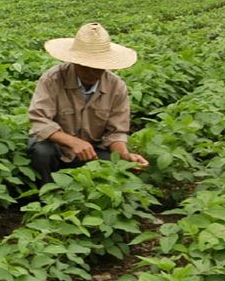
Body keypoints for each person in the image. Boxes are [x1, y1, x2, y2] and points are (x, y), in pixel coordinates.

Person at [27, 22, 149, 185]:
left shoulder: (116, 87)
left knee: (122, 168)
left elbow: (116, 132)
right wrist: (72, 141)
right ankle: (47, 195)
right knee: (41, 152)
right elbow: (39, 122)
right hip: (57, 149)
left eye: (97, 68)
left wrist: (125, 155)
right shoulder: (52, 79)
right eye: (85, 66)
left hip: (91, 152)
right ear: (74, 61)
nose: (91, 72)